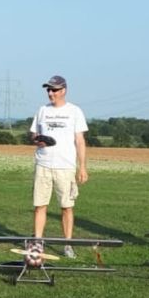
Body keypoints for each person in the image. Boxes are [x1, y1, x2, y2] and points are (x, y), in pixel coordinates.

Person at [29, 75, 89, 258]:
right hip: (43, 164)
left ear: (64, 90)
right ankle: (38, 243)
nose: (50, 93)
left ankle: (67, 245)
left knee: (66, 207)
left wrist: (82, 167)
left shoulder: (74, 111)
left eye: (54, 90)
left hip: (65, 166)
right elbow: (33, 135)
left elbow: (79, 140)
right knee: (40, 205)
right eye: (48, 89)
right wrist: (38, 141)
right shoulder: (42, 111)